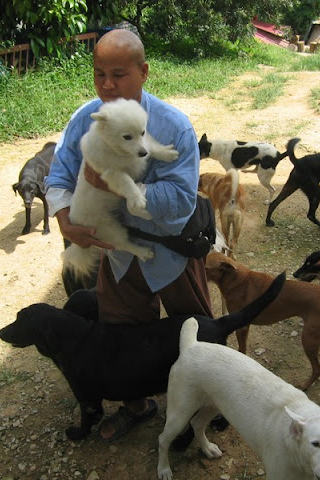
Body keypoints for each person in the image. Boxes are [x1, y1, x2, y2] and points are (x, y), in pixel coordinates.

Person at [45, 28, 213, 442]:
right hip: (119, 252)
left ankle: (203, 409)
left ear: (143, 72)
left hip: (172, 249)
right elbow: (59, 175)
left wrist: (119, 188)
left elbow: (181, 200)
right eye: (99, 73)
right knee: (121, 331)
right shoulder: (88, 119)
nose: (106, 85)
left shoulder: (173, 126)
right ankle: (136, 404)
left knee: (196, 332)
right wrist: (64, 218)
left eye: (118, 74)